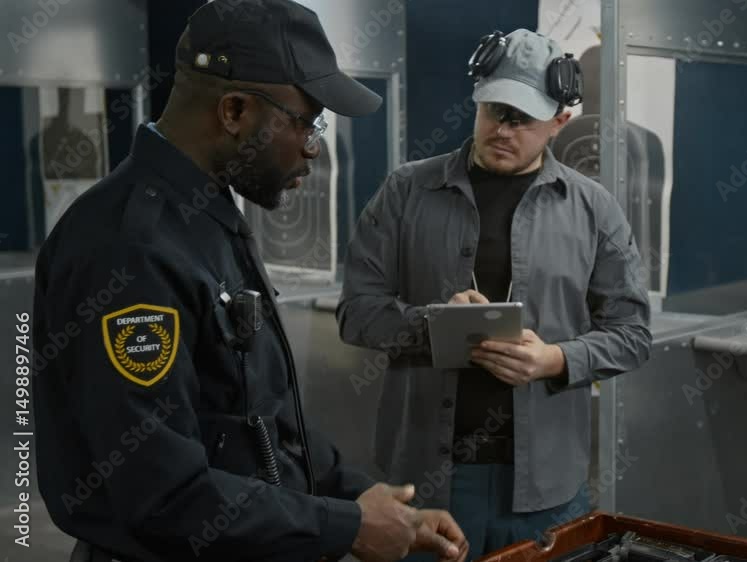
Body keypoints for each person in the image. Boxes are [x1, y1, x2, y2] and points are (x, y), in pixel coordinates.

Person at [33, 2, 468, 561]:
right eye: (306, 122)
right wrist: (345, 527)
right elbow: (161, 494)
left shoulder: (207, 217)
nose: (313, 149)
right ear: (235, 110)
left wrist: (354, 495)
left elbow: (257, 417)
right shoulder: (130, 251)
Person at [337, 28, 651, 559]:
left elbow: (633, 334)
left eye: (522, 119)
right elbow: (356, 313)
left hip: (544, 489)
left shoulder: (593, 209)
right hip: (427, 481)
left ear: (559, 122)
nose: (503, 130)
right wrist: (432, 324)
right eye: (494, 111)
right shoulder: (406, 192)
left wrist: (555, 359)